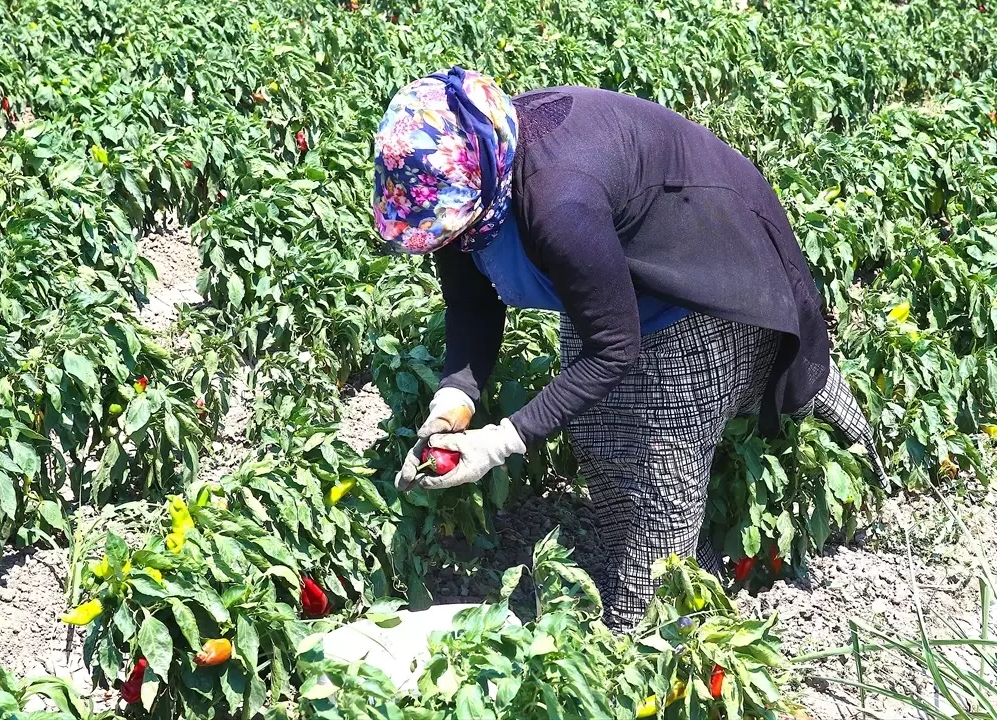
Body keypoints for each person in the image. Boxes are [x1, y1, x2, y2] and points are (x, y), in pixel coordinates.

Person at [373, 66, 887, 630]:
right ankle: (683, 570)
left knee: (659, 469)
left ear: (484, 182)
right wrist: (453, 403)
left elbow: (613, 347)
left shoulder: (556, 200)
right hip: (615, 267)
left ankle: (653, 625)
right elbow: (472, 305)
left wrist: (498, 443)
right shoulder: (468, 189)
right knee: (599, 430)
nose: (445, 241)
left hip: (702, 261)